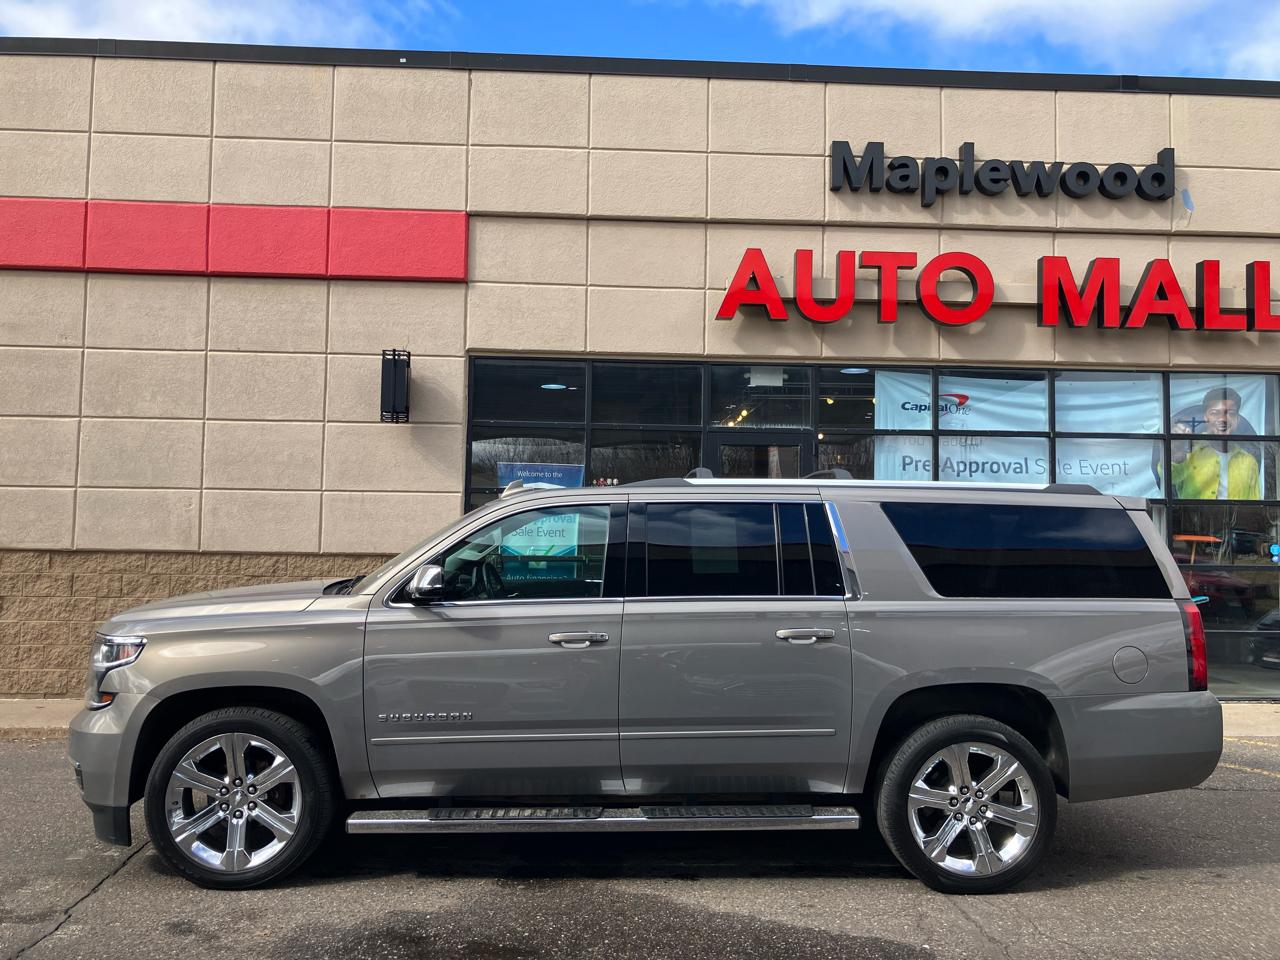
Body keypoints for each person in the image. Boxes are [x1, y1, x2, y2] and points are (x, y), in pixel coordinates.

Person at [1171, 387, 1261, 499]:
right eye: (1215, 413)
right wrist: (1176, 451)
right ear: (1205, 417)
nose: (1223, 419)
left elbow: (1254, 505)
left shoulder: (1249, 462)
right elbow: (1169, 477)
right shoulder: (1189, 451)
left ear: (1237, 419)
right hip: (1194, 517)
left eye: (1231, 414)